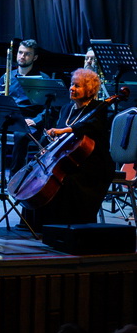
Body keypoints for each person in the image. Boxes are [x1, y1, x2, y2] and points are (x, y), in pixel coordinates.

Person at [20, 68, 113, 232]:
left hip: (90, 163)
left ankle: (59, 225)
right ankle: (36, 223)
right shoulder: (66, 108)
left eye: (77, 86)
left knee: (66, 181)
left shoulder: (99, 108)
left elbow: (88, 126)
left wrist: (64, 130)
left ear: (89, 90)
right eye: (71, 84)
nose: (72, 88)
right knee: (40, 173)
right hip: (67, 157)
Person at [0, 39, 53, 175]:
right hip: (9, 118)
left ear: (34, 57)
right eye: (20, 52)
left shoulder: (43, 79)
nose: (22, 56)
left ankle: (14, 177)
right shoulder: (6, 77)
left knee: (20, 134)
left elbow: (50, 108)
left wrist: (35, 120)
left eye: (27, 54)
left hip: (30, 120)